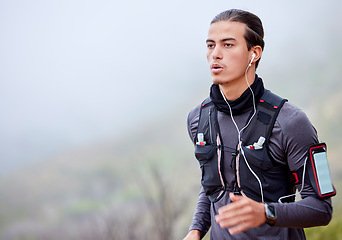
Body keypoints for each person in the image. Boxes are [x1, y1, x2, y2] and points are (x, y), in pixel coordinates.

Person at [183, 9, 334, 240]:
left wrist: (266, 212)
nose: (216, 54)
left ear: (254, 53)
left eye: (228, 45)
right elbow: (213, 187)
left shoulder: (292, 122)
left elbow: (322, 209)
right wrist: (195, 231)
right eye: (211, 45)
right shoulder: (198, 119)